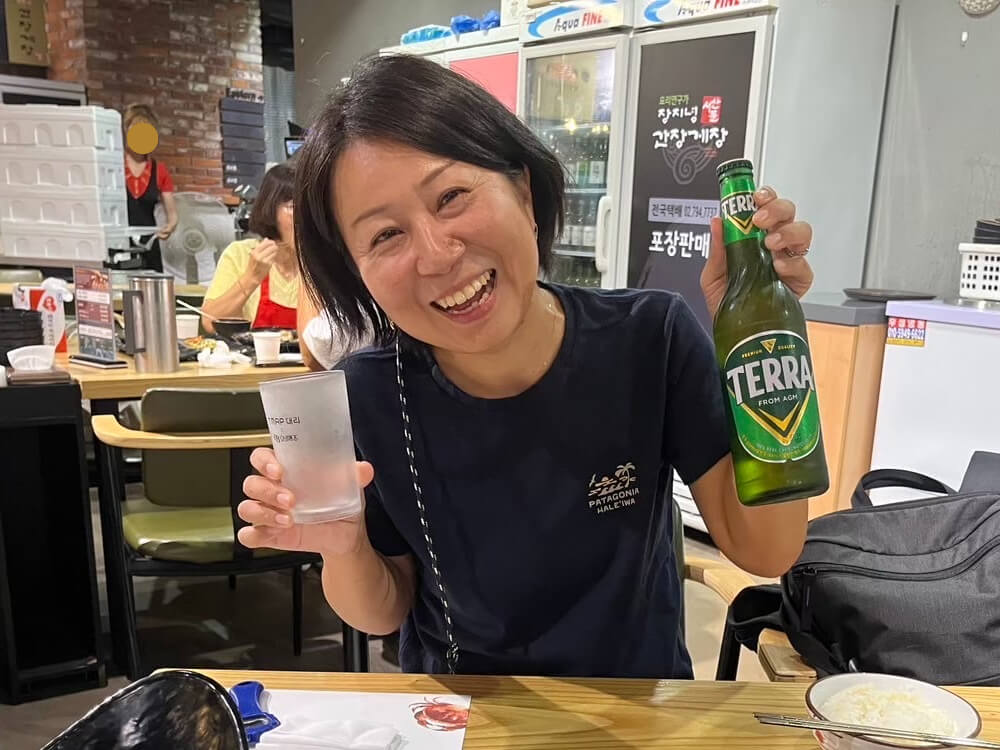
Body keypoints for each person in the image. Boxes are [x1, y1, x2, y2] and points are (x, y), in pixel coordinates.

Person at [237, 55, 816, 678]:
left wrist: (761, 338)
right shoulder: (371, 391)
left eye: (451, 197)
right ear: (358, 274)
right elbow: (383, 611)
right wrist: (343, 545)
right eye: (385, 236)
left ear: (523, 191)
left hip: (638, 709)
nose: (436, 254)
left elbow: (768, 549)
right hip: (464, 711)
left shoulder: (651, 338)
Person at [202, 163, 299, 333]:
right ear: (270, 209)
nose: (304, 217)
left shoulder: (320, 264)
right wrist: (252, 277)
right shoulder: (241, 254)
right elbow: (210, 323)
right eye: (293, 207)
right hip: (252, 351)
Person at [123, 104, 178, 272]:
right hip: (118, 245)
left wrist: (169, 227)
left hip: (149, 246)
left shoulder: (159, 170)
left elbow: (173, 215)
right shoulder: (113, 165)